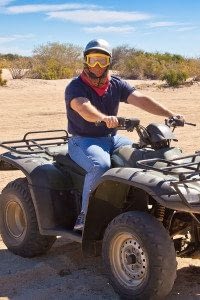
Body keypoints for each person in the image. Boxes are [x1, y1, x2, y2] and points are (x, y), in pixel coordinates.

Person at [65, 38, 183, 231]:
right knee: (99, 165)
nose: (96, 65)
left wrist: (170, 114)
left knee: (142, 155)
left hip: (113, 139)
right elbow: (83, 108)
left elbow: (141, 99)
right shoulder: (75, 86)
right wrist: (104, 118)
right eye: (92, 59)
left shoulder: (116, 84)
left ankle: (142, 208)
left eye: (101, 60)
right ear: (85, 60)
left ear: (109, 62)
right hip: (83, 140)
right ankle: (85, 216)